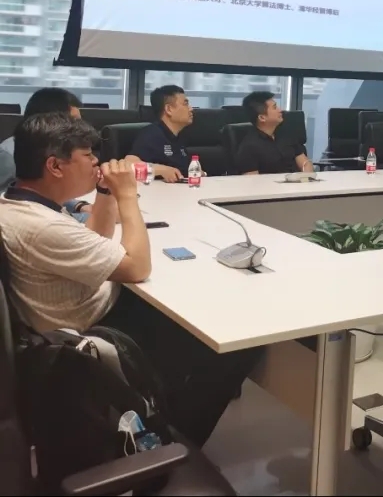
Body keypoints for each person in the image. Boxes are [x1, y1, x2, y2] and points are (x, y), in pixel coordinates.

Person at [0, 113, 260, 447]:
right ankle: (173, 445)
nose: (97, 162)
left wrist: (105, 191)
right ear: (55, 166)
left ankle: (164, 415)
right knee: (235, 340)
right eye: (88, 155)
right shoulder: (42, 225)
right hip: (91, 333)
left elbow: (93, 238)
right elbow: (137, 267)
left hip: (87, 310)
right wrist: (127, 195)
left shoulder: (21, 203)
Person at [0, 88, 93, 221]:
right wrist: (91, 216)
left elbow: (43, 194)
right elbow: (17, 213)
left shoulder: (46, 148)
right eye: (74, 122)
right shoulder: (9, 156)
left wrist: (79, 206)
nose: (80, 127)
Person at [234, 91, 313, 175]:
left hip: (297, 181)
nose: (280, 110)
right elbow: (251, 180)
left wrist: (306, 177)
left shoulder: (286, 133)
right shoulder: (249, 147)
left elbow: (305, 163)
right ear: (262, 117)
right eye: (275, 108)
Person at [130, 85, 193, 182]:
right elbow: (129, 166)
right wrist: (161, 170)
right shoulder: (151, 135)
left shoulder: (179, 136)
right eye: (185, 104)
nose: (191, 108)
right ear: (169, 109)